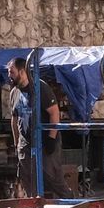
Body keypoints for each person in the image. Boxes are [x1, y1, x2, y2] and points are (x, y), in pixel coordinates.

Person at [8, 56, 65, 198]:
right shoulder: (14, 93)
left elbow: (54, 113)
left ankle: (70, 205)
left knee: (52, 178)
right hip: (26, 143)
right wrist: (17, 143)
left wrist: (51, 138)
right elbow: (14, 119)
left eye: (12, 72)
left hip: (45, 140)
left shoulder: (40, 88)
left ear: (22, 72)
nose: (9, 76)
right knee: (28, 178)